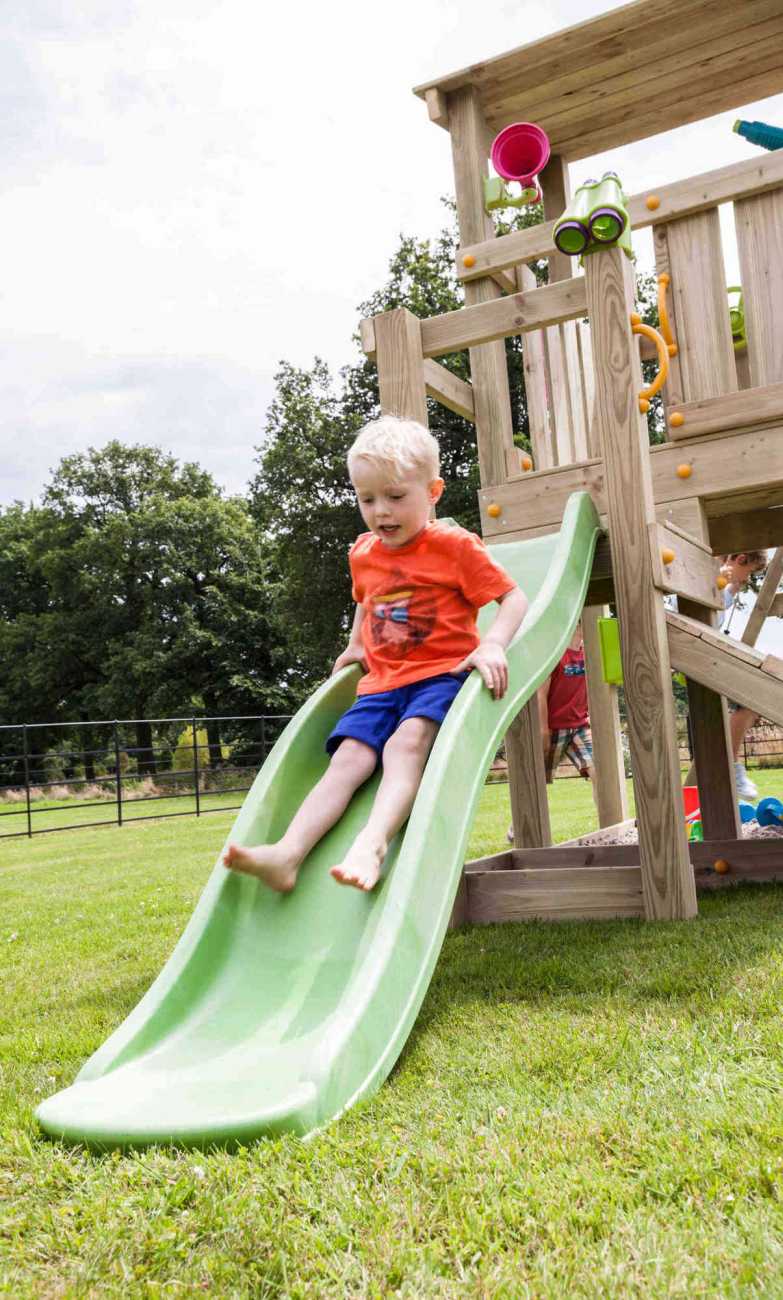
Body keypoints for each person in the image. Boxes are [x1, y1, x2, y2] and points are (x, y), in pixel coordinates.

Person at [223, 415, 529, 893]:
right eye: (368, 499)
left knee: (403, 747)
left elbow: (513, 598)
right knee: (347, 760)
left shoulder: (453, 547)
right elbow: (367, 601)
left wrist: (492, 643)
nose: (381, 511)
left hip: (440, 678)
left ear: (433, 492)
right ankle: (288, 854)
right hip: (381, 684)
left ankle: (374, 841)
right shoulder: (364, 552)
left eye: (395, 497)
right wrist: (354, 645)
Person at [507, 622, 595, 842]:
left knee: (599, 771)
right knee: (538, 781)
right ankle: (517, 826)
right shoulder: (556, 653)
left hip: (579, 726)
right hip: (553, 726)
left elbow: (591, 688)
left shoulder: (589, 653)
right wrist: (542, 729)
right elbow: (540, 694)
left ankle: (609, 820)